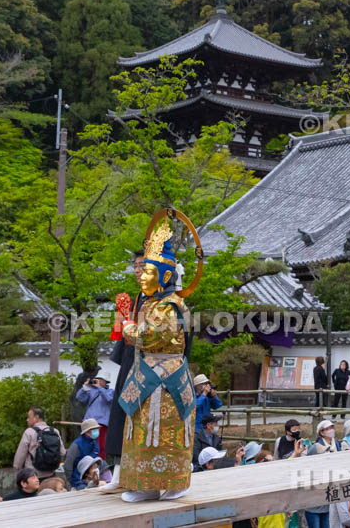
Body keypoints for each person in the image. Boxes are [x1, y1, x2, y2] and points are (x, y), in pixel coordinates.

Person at [116, 213, 203, 502]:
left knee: (164, 431)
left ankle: (175, 482)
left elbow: (150, 336)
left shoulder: (171, 306)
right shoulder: (155, 303)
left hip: (166, 379)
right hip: (147, 374)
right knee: (141, 430)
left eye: (149, 272)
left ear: (166, 276)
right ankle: (145, 484)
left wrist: (128, 327)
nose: (142, 276)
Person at [105, 249, 146, 471]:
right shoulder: (138, 299)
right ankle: (119, 471)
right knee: (121, 414)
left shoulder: (165, 301)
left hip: (153, 365)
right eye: (136, 267)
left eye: (143, 267)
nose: (138, 271)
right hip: (133, 360)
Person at [12, 407, 65, 479]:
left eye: (29, 417)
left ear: (36, 417)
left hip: (33, 476)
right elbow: (62, 452)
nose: (27, 420)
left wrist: (17, 468)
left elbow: (21, 454)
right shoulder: (55, 431)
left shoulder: (29, 432)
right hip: (51, 474)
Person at [76, 372, 114, 457]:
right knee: (85, 443)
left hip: (101, 424)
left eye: (100, 379)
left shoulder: (110, 391)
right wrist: (85, 387)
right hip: (88, 423)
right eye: (97, 379)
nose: (98, 381)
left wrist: (100, 388)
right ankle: (86, 462)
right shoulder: (91, 391)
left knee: (100, 445)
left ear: (105, 382)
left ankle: (99, 463)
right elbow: (79, 398)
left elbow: (109, 399)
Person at [65, 418, 102, 490]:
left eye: (97, 429)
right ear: (87, 432)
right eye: (94, 430)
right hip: (78, 480)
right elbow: (68, 464)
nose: (97, 432)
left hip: (92, 478)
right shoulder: (76, 445)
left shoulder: (94, 442)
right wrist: (70, 481)